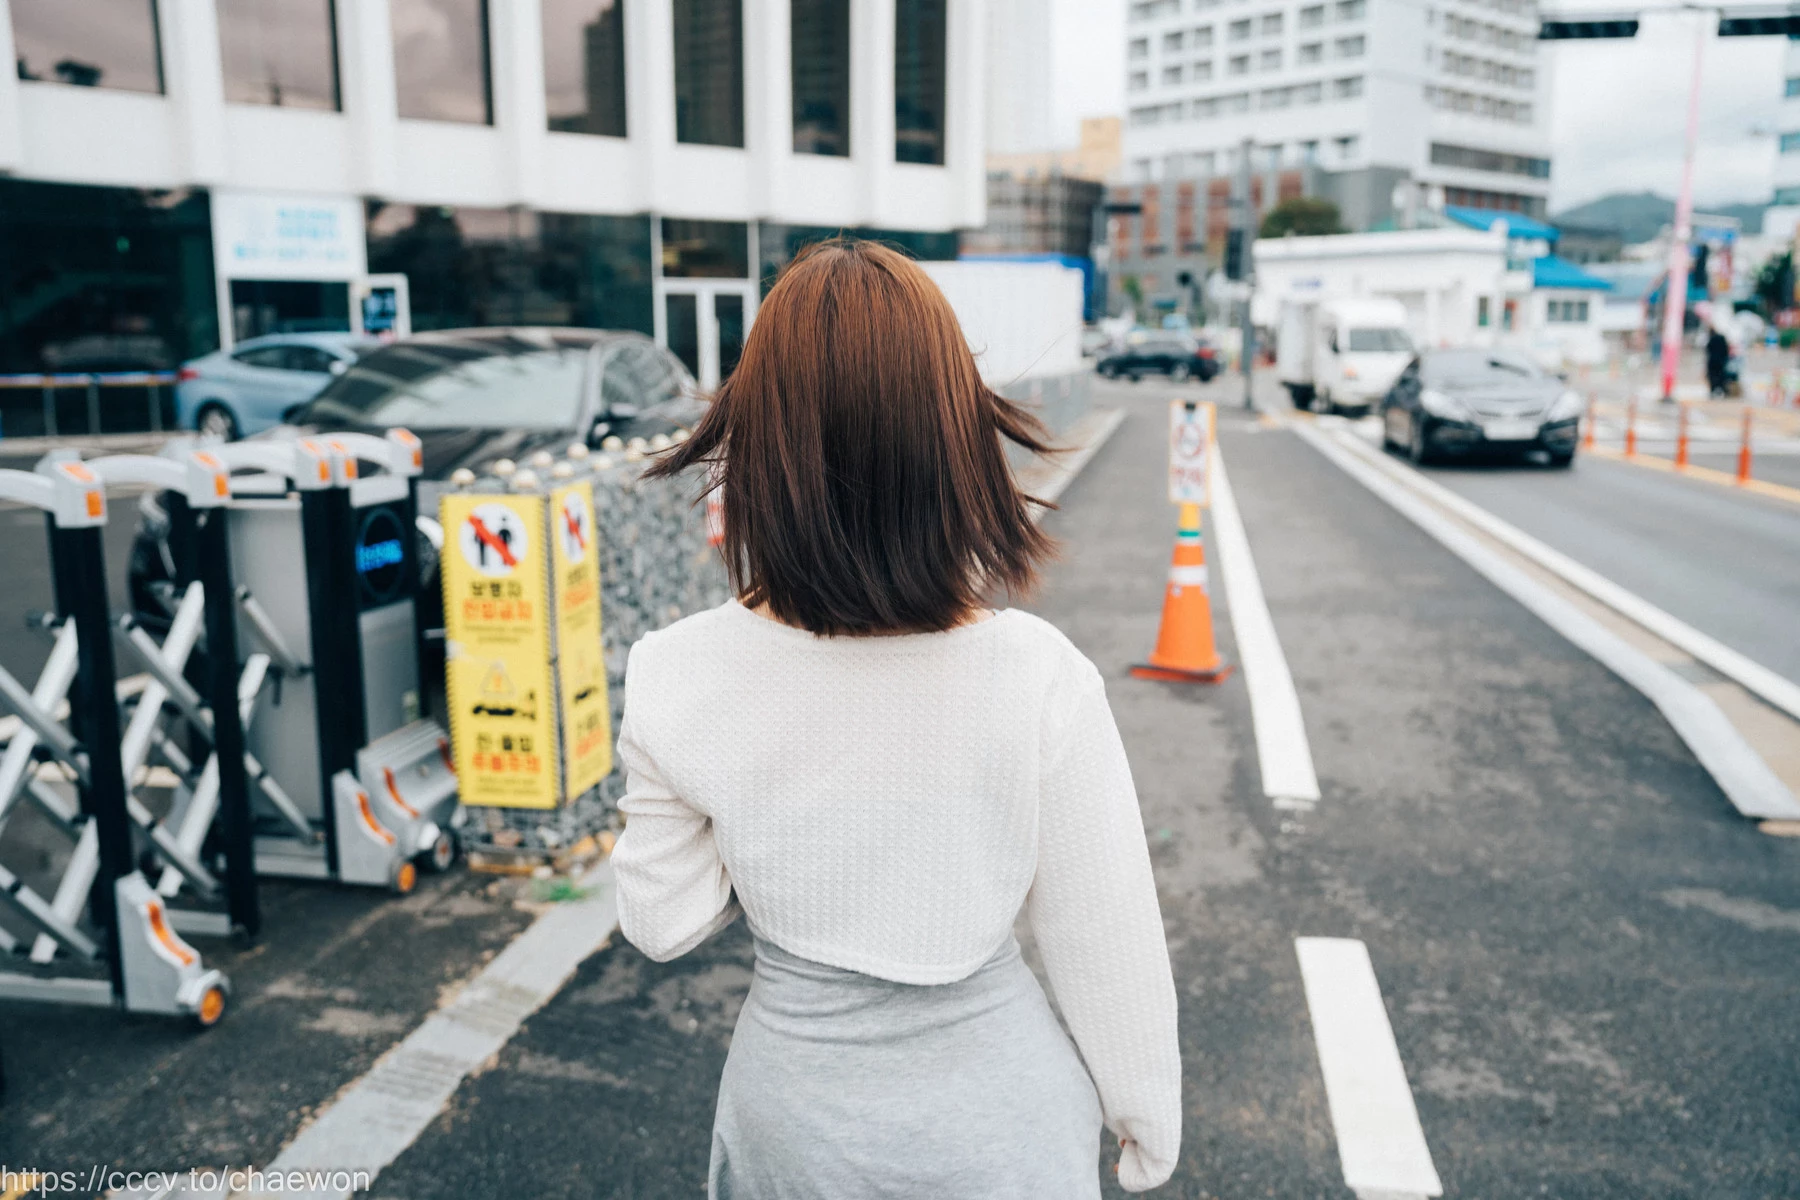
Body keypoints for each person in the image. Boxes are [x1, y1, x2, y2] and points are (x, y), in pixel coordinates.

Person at [612, 239, 1182, 1198]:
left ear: (756, 442)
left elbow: (661, 922)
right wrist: (1144, 1117)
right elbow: (1103, 936)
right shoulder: (1036, 675)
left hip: (797, 1126)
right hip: (1005, 1130)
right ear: (955, 441)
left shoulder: (679, 672)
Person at [1706, 326, 1731, 398]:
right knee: (1722, 377)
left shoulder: (1711, 339)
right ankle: (1724, 391)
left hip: (1713, 362)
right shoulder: (1721, 338)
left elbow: (1708, 350)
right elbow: (1726, 350)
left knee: (1713, 378)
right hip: (1721, 361)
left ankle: (1713, 391)